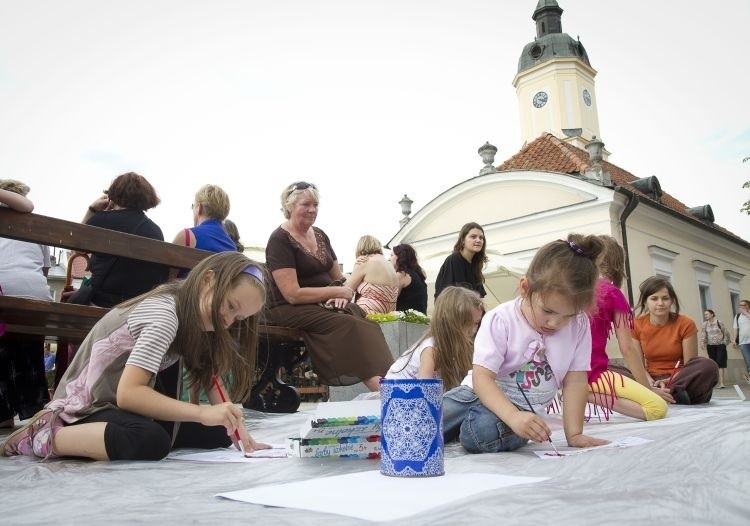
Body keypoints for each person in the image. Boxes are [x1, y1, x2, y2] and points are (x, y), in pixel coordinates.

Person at [2, 252, 270, 461]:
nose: (229, 319)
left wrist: (239, 432)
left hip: (118, 408)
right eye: (230, 306)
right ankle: (44, 436)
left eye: (238, 317)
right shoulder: (165, 315)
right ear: (208, 279)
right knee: (149, 440)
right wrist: (201, 412)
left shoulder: (200, 318)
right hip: (86, 406)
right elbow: (129, 394)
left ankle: (112, 439)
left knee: (218, 432)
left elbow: (209, 379)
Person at [442, 234, 609, 452]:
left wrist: (574, 434)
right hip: (475, 393)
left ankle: (462, 429)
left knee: (479, 433)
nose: (556, 323)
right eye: (547, 311)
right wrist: (510, 416)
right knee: (423, 417)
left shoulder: (579, 325)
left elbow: (575, 381)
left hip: (523, 408)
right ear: (525, 288)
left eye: (568, 315)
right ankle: (457, 426)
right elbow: (482, 377)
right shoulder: (501, 319)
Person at [264, 182, 393, 391]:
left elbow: (339, 277)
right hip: (288, 307)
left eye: (315, 204)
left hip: (322, 303)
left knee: (363, 318)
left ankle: (391, 377)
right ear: (289, 207)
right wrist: (336, 291)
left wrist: (344, 293)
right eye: (305, 204)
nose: (312, 210)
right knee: (348, 325)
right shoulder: (279, 240)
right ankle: (380, 388)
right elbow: (292, 294)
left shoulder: (320, 235)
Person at [587, 236, 667, 421]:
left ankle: (576, 391)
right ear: (618, 263)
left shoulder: (577, 290)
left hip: (566, 370)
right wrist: (648, 390)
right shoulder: (613, 294)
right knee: (656, 408)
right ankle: (581, 394)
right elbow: (627, 348)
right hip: (591, 373)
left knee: (619, 373)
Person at [0, 180, 52, 429]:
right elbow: (43, 270)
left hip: (5, 292)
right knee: (29, 349)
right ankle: (34, 409)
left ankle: (3, 414)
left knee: (2, 351)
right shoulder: (35, 224)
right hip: (36, 295)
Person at [77, 172, 169, 307]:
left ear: (113, 195)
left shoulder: (101, 220)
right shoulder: (155, 230)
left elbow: (77, 245)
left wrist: (92, 210)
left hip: (101, 302)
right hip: (137, 306)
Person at [632, 276, 718, 405]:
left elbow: (690, 365)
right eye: (654, 298)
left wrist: (669, 381)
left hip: (680, 379)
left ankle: (665, 394)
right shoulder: (636, 325)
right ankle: (671, 395)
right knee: (612, 371)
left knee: (708, 365)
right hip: (651, 380)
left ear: (672, 301)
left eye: (665, 298)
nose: (660, 303)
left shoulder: (686, 323)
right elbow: (638, 364)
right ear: (645, 301)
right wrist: (648, 382)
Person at [386, 286, 483, 392]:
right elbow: (425, 392)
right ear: (448, 321)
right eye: (466, 323)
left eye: (476, 323)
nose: (473, 330)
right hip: (397, 395)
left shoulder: (464, 346)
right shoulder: (431, 349)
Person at [170, 184, 236, 278]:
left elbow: (168, 280)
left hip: (186, 292)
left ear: (199, 208)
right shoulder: (233, 248)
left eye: (193, 206)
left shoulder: (187, 236)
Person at [344, 235, 399, 315]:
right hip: (390, 313)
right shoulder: (389, 264)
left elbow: (347, 291)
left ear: (361, 247)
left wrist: (355, 267)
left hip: (368, 311)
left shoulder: (364, 261)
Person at [434, 222, 487, 299]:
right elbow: (448, 296)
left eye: (481, 238)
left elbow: (479, 297)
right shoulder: (454, 259)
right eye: (473, 237)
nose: (478, 240)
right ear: (462, 240)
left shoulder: (475, 264)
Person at [390, 243, 427, 314]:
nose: (389, 258)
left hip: (405, 321)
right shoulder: (419, 275)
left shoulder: (401, 275)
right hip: (420, 320)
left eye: (392, 255)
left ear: (400, 257)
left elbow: (390, 302)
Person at [700, 309, 730, 389]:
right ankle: (714, 382)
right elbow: (703, 334)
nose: (705, 316)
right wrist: (702, 342)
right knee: (713, 364)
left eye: (707, 314)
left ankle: (722, 383)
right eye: (705, 314)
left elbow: (726, 332)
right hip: (710, 346)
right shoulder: (705, 324)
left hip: (720, 345)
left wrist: (724, 343)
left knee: (720, 363)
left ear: (712, 314)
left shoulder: (719, 322)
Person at [732, 299, 750, 384]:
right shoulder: (738, 316)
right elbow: (736, 328)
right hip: (743, 342)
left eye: (743, 305)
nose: (741, 307)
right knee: (748, 362)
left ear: (748, 306)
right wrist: (734, 339)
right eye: (740, 305)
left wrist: (746, 314)